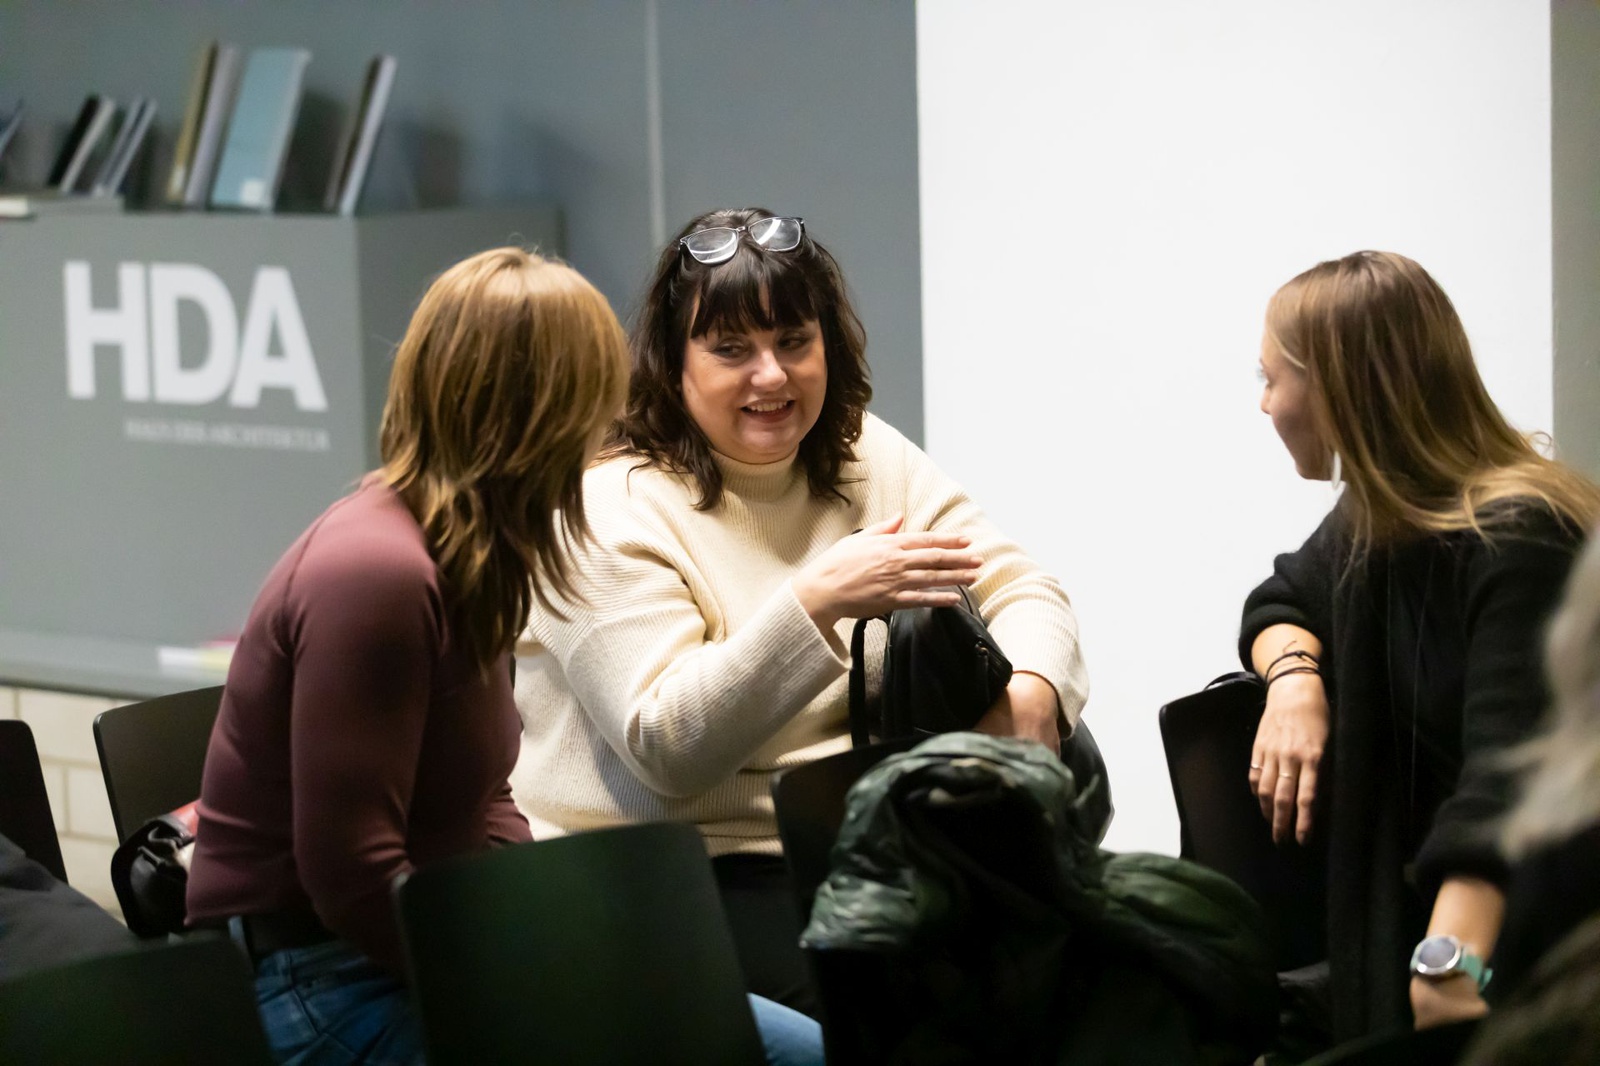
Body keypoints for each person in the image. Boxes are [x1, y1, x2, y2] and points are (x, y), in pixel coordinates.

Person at [184, 247, 821, 1066]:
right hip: (320, 980)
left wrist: (550, 938)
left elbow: (485, 801)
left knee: (799, 1050)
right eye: (596, 396)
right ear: (541, 411)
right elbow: (350, 875)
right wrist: (527, 980)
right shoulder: (379, 576)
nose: (612, 422)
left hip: (426, 941)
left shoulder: (475, 550)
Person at [512, 209, 1090, 1016]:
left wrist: (1032, 695)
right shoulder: (607, 508)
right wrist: (817, 601)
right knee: (926, 1017)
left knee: (1090, 977)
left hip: (859, 851)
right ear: (672, 364)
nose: (772, 376)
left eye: (793, 341)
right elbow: (668, 746)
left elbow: (1023, 587)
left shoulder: (860, 453)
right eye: (731, 350)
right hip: (669, 879)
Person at [1240, 250, 1600, 1046]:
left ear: (1337, 389)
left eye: (1271, 379)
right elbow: (1280, 598)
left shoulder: (1520, 537)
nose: (1264, 404)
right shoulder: (1379, 523)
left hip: (1541, 950)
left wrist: (1445, 967)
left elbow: (1509, 775)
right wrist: (1294, 683)